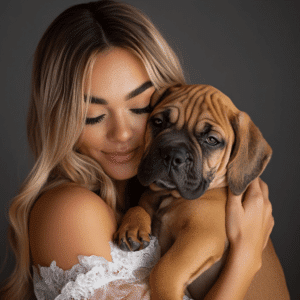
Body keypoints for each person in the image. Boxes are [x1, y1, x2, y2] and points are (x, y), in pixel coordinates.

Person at [0, 1, 289, 299]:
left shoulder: (155, 197)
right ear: (59, 121)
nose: (122, 133)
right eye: (93, 116)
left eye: (140, 109)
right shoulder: (70, 211)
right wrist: (245, 258)